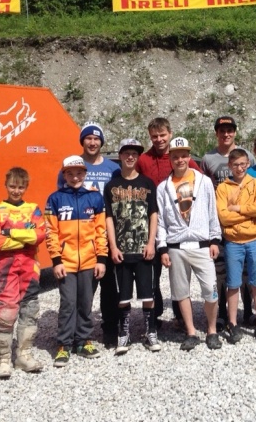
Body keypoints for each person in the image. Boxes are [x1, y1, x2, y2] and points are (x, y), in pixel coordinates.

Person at [57, 121, 121, 348]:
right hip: (78, 240)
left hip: (105, 233)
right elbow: (60, 199)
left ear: (102, 142)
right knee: (82, 292)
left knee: (109, 288)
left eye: (96, 139)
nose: (92, 142)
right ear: (82, 141)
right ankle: (73, 335)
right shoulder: (71, 166)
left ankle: (109, 329)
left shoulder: (113, 169)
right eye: (88, 138)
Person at [156, 137, 223, 351]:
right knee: (181, 292)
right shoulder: (163, 187)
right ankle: (191, 331)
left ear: (189, 156)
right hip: (176, 246)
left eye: (184, 155)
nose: (180, 160)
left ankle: (212, 330)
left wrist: (214, 238)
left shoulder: (203, 182)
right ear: (170, 159)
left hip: (201, 244)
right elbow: (160, 221)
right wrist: (162, 247)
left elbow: (213, 211)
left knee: (210, 290)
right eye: (175, 157)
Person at [136, 117, 201, 327]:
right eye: (154, 136)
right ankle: (154, 317)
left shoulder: (181, 157)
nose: (159, 139)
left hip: (177, 224)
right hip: (151, 223)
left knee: (178, 273)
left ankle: (181, 317)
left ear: (170, 134)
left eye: (162, 135)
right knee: (153, 271)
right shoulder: (144, 160)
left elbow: (198, 184)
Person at [46, 155, 108, 367]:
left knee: (86, 303)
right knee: (68, 303)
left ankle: (83, 340)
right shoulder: (54, 199)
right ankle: (64, 344)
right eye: (70, 173)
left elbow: (101, 231)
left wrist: (101, 259)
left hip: (90, 261)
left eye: (79, 173)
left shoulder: (95, 198)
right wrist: (56, 260)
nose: (75, 177)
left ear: (85, 174)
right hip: (66, 262)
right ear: (64, 174)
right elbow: (51, 232)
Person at [0, 167, 47, 379]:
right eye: (12, 186)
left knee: (30, 310)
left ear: (26, 187)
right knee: (6, 312)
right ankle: (2, 359)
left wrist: (9, 232)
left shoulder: (33, 208)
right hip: (4, 270)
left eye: (21, 187)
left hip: (30, 268)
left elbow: (40, 235)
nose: (16, 190)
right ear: (6, 185)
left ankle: (24, 355)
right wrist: (25, 236)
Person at [104, 139, 160, 355]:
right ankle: (123, 333)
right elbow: (108, 217)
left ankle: (150, 331)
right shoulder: (112, 186)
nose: (130, 157)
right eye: (126, 153)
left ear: (138, 157)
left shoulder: (147, 184)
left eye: (134, 153)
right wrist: (113, 246)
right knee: (122, 297)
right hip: (122, 250)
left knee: (148, 295)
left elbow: (153, 214)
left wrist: (151, 242)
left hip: (143, 249)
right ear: (120, 156)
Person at [201, 115, 256, 328]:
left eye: (230, 130)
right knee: (221, 270)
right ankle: (222, 312)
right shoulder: (208, 158)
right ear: (216, 133)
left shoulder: (246, 155)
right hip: (219, 221)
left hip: (243, 220)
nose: (226, 134)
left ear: (235, 131)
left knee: (245, 270)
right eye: (222, 130)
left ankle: (247, 312)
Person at [216, 148, 256, 344]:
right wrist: (249, 213)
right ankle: (232, 322)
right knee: (233, 283)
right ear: (229, 166)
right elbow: (223, 216)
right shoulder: (223, 188)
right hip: (233, 242)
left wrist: (238, 208)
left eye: (243, 164)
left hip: (255, 239)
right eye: (235, 164)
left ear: (248, 164)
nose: (239, 168)